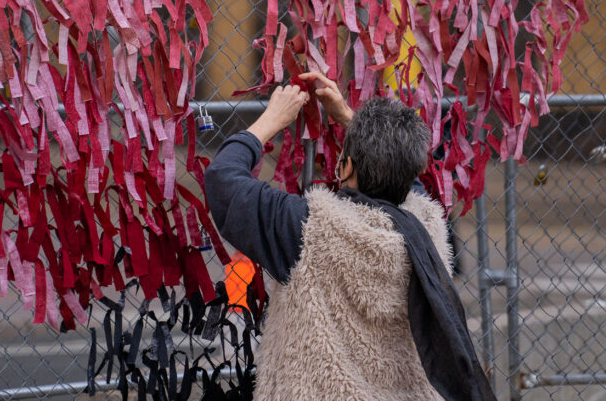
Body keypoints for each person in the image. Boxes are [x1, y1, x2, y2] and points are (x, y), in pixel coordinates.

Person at [204, 72, 495, 401]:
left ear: (344, 169)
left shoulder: (307, 228)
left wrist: (272, 118)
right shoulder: (428, 226)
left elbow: (223, 179)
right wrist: (348, 117)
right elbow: (406, 179)